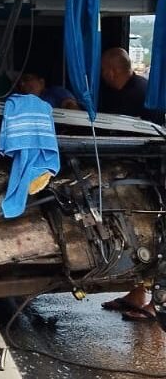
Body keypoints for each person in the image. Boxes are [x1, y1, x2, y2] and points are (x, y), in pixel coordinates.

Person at [99, 47, 162, 322]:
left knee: (159, 238)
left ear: (111, 71)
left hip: (155, 180)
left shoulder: (142, 95)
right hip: (142, 179)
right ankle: (137, 294)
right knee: (141, 238)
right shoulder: (126, 93)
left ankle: (158, 306)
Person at [100, 47, 164, 124]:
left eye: (103, 69)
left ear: (111, 72)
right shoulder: (146, 88)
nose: (102, 74)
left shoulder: (137, 97)